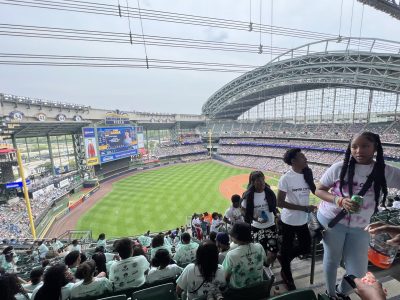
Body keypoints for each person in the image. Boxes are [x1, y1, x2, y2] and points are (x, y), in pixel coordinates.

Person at [315, 132, 400, 299]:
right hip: (332, 220)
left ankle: (341, 291)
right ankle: (331, 294)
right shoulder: (339, 167)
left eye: (365, 146)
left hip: (361, 226)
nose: (359, 150)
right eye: (354, 146)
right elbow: (319, 190)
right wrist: (339, 200)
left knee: (358, 270)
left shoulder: (384, 171)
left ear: (375, 147)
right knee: (332, 259)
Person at [277, 148, 317, 290]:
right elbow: (279, 203)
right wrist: (304, 208)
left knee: (305, 247)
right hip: (288, 221)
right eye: (302, 157)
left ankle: (284, 258)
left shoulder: (307, 174)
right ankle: (289, 279)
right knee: (287, 249)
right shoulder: (286, 178)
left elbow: (315, 190)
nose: (306, 159)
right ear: (293, 161)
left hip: (302, 220)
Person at [242, 171, 279, 266]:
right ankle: (261, 268)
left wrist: (276, 215)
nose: (262, 183)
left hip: (271, 226)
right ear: (253, 182)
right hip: (256, 228)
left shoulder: (269, 192)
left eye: (263, 180)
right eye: (258, 181)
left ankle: (266, 266)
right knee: (259, 253)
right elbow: (243, 210)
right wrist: (255, 217)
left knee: (273, 254)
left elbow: (274, 207)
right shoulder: (248, 195)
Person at [222, 221, 267, 289]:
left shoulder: (231, 255)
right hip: (258, 288)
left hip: (240, 293)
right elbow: (265, 262)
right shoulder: (259, 247)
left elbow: (225, 277)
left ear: (236, 236)